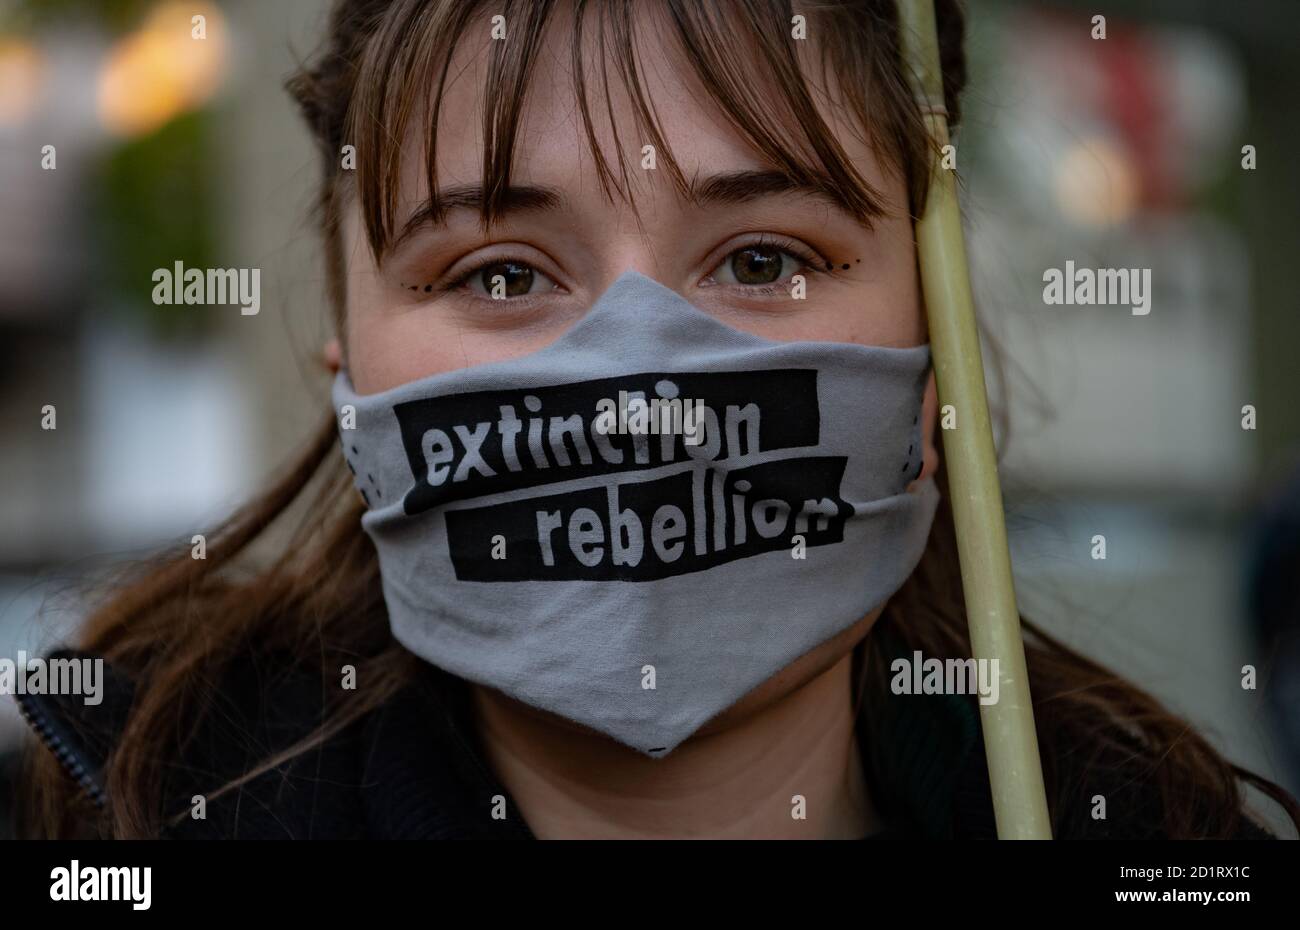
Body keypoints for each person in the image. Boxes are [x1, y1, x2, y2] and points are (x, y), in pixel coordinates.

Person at [16, 0, 1297, 840]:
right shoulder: (117, 830)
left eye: (759, 260)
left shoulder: (1164, 845)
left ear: (932, 363)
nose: (636, 383)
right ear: (349, 371)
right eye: (501, 274)